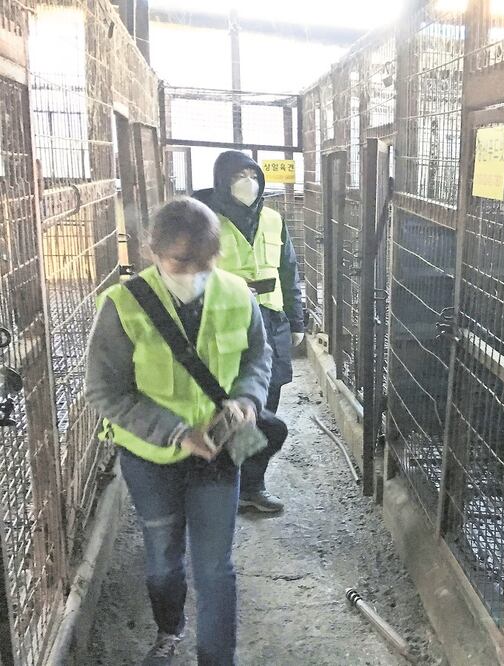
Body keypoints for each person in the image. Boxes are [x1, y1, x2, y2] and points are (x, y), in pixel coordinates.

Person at [85, 198, 271, 665]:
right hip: (151, 458)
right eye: (181, 263)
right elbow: (105, 392)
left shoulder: (236, 294)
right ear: (152, 251)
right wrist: (175, 432)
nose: (194, 273)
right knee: (164, 562)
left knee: (215, 569)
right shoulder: (123, 307)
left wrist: (247, 401)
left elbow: (257, 358)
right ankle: (170, 628)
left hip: (218, 454)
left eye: (205, 263)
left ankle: (216, 658)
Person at [194, 151, 304, 513]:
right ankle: (221, 479)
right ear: (223, 180)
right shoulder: (206, 219)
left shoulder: (273, 219)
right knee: (225, 405)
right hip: (224, 323)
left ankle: (251, 486)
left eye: (252, 174)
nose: (248, 182)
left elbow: (288, 271)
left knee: (265, 405)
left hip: (271, 323)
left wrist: (297, 321)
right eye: (238, 175)